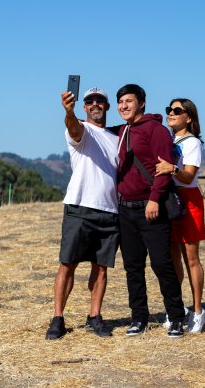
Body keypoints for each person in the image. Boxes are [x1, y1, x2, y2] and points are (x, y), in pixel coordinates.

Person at [45, 87, 120, 340]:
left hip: (110, 210)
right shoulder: (79, 129)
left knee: (101, 269)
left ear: (108, 107)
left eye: (100, 101)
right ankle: (58, 318)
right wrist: (69, 111)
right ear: (84, 107)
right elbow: (73, 127)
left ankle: (94, 316)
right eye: (90, 101)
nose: (95, 104)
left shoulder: (117, 138)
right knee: (68, 264)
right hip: (79, 206)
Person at [115, 84, 187, 338]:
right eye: (120, 102)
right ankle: (139, 318)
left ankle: (176, 317)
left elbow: (164, 168)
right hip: (125, 209)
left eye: (129, 101)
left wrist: (155, 199)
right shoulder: (122, 131)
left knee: (161, 264)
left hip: (151, 207)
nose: (123, 106)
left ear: (142, 103)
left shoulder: (156, 130)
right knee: (132, 266)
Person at [155, 98, 205, 333]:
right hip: (170, 199)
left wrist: (172, 169)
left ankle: (198, 311)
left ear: (189, 117)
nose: (171, 113)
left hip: (188, 199)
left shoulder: (192, 143)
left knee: (191, 257)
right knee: (172, 256)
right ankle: (176, 308)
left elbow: (188, 176)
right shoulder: (168, 139)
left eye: (178, 110)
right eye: (169, 110)